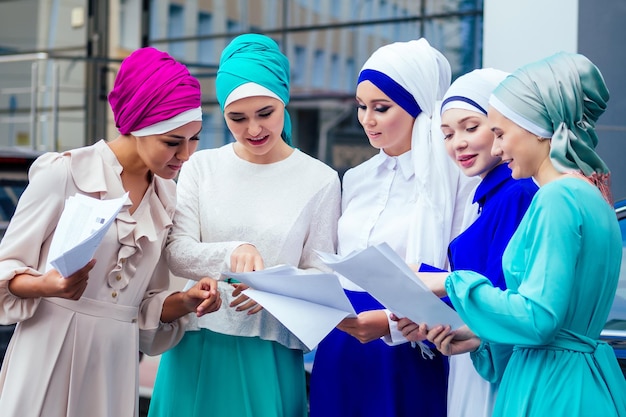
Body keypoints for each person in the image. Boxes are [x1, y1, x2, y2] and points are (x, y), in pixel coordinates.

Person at [0, 47, 222, 417]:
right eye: (172, 142)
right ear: (138, 127)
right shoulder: (65, 173)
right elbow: (5, 267)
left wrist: (186, 300)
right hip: (48, 347)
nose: (186, 155)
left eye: (194, 138)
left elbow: (146, 303)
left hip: (114, 361)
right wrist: (48, 286)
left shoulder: (167, 198)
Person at [404, 52, 626, 417]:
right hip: (586, 379)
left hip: (551, 388)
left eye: (501, 133)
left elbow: (538, 319)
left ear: (537, 126)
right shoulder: (592, 195)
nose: (497, 148)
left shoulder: (557, 198)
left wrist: (448, 282)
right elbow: (558, 321)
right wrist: (479, 341)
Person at [147, 33, 341, 417]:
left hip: (268, 350)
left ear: (284, 102)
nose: (253, 129)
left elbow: (322, 277)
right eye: (237, 118)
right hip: (196, 345)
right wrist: (233, 252)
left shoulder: (320, 179)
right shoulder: (202, 167)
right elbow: (176, 252)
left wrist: (273, 291)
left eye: (265, 113)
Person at [309, 38, 476, 417]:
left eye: (381, 108)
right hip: (342, 341)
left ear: (418, 107)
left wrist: (390, 323)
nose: (367, 119)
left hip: (411, 348)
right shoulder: (354, 178)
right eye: (362, 107)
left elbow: (463, 276)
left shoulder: (456, 182)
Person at [393, 68, 538, 417]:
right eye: (446, 133)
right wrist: (433, 316)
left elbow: (508, 296)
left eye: (471, 127)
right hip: (475, 354)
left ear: (504, 126)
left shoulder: (516, 193)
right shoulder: (487, 195)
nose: (457, 142)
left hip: (496, 363)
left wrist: (438, 283)